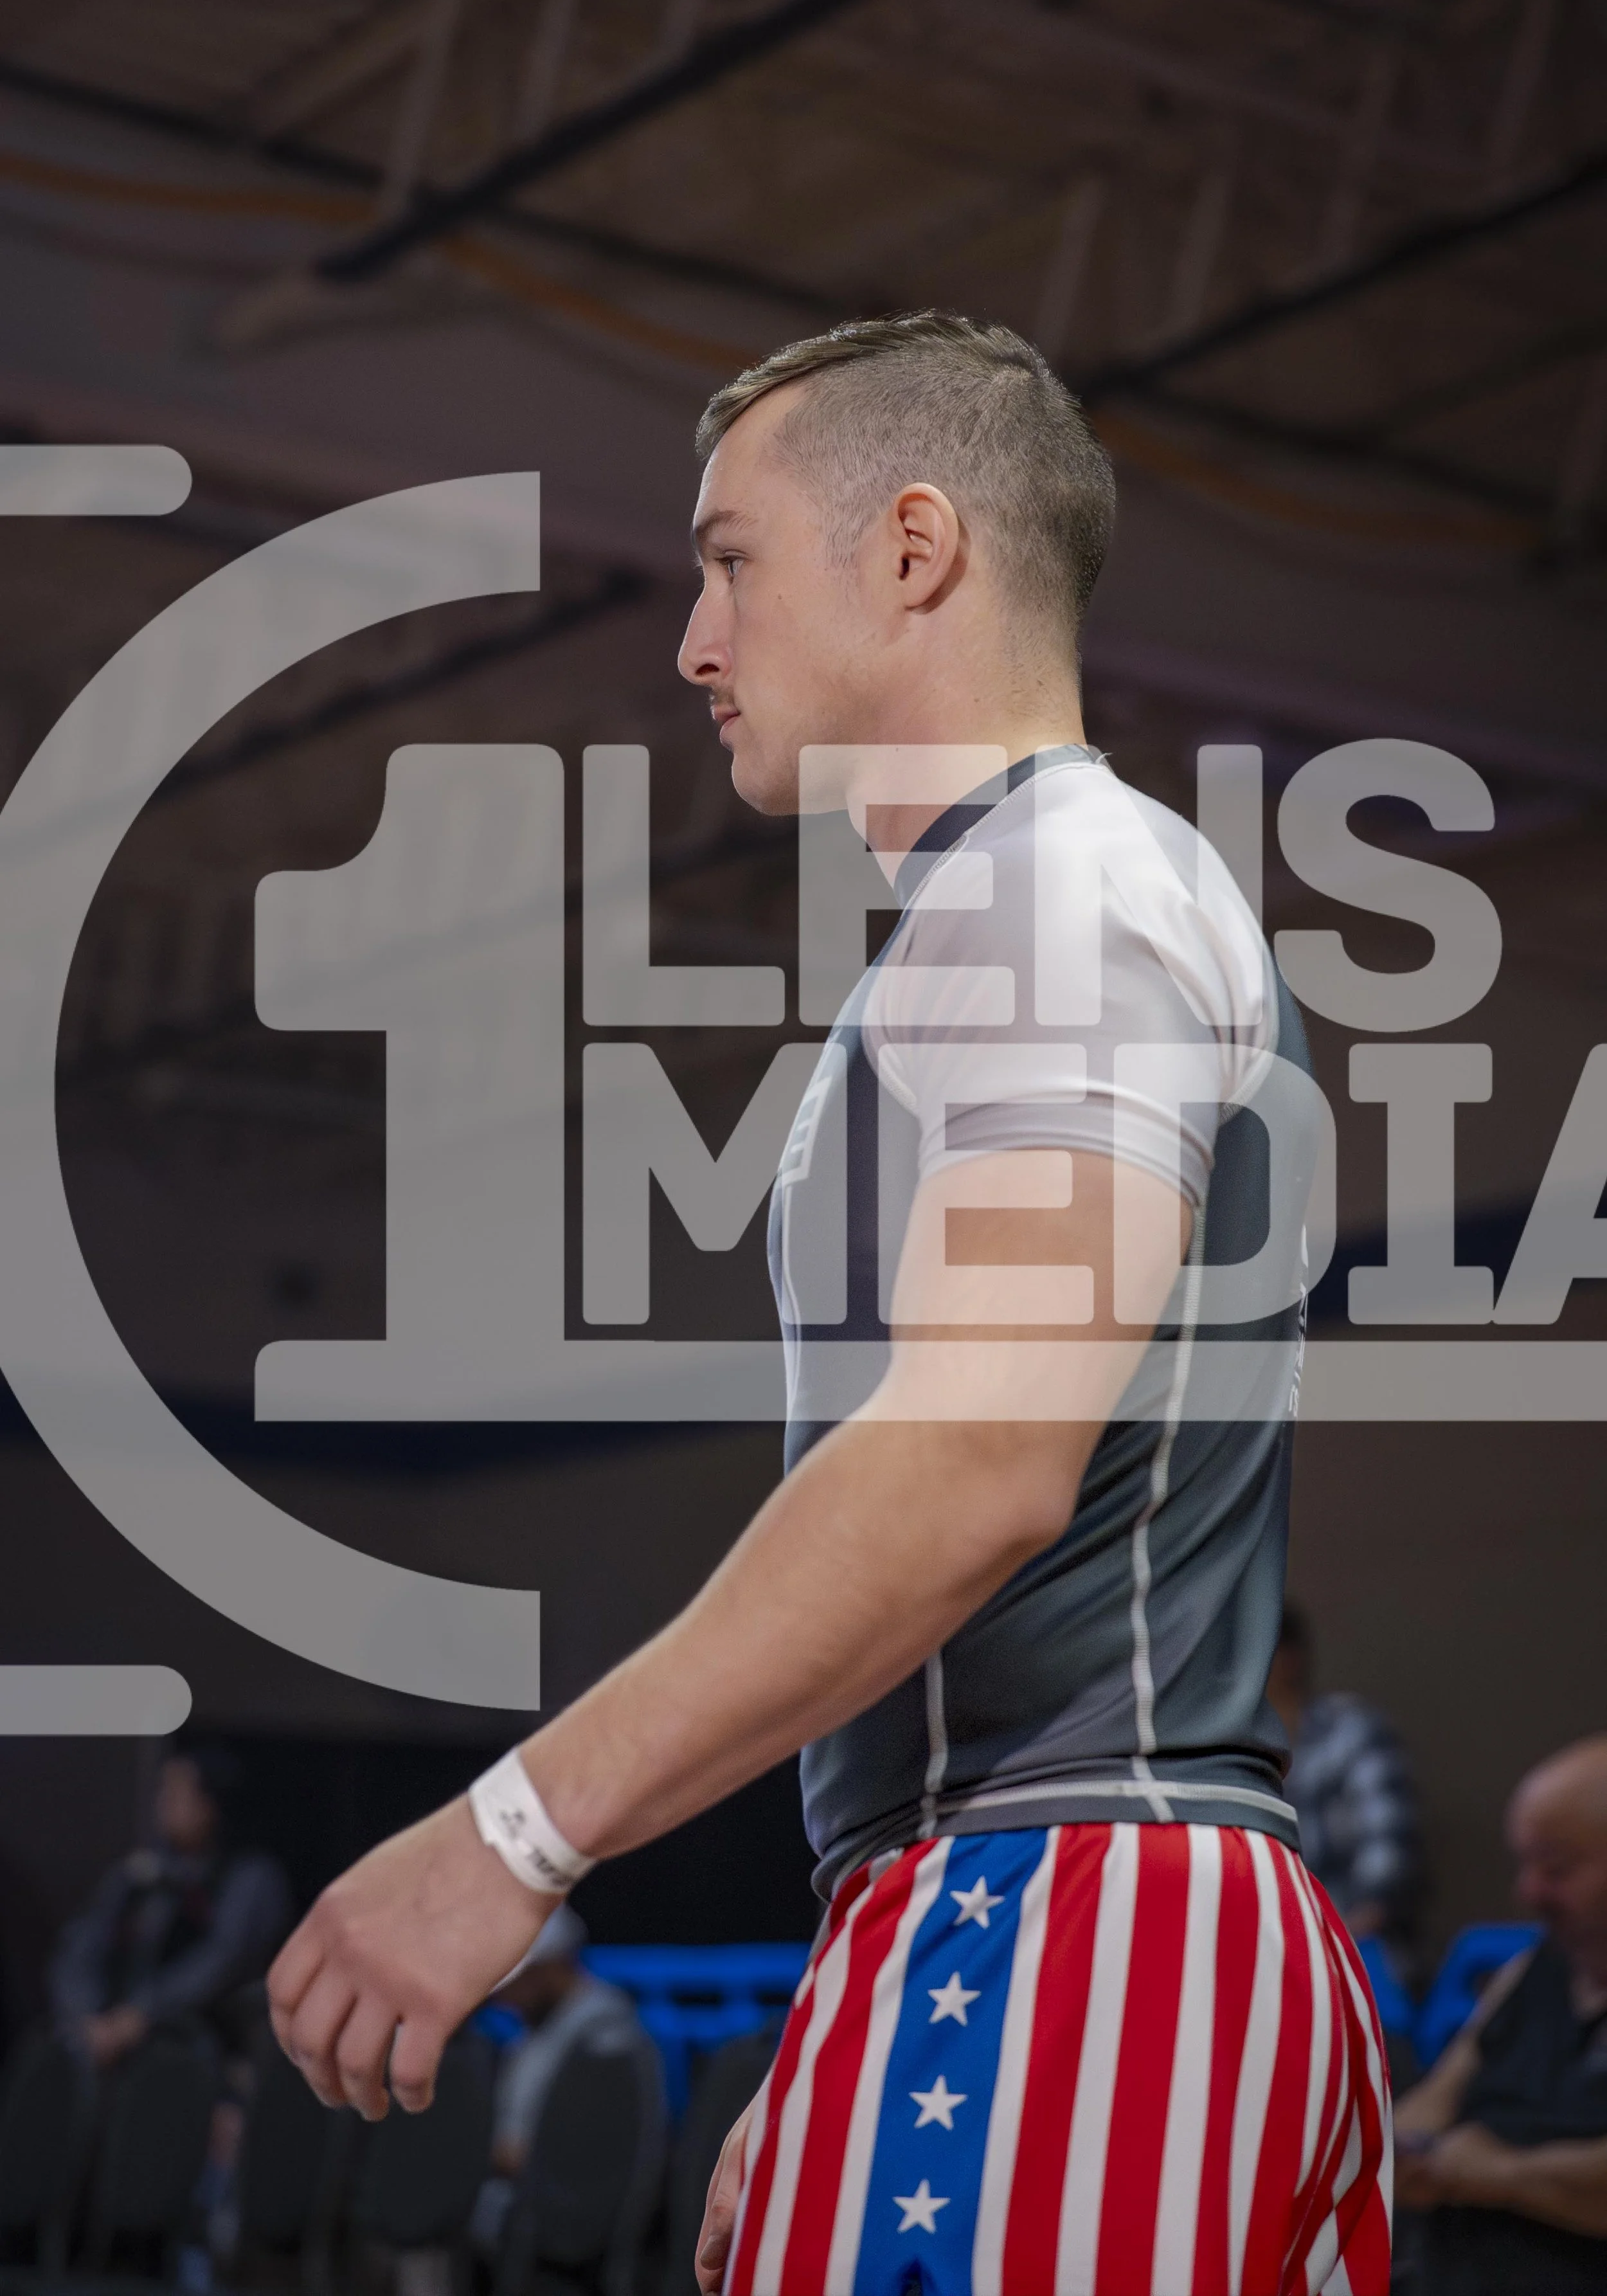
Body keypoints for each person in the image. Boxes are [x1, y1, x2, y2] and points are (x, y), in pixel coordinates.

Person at [267, 312, 1390, 2296]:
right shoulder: (1026, 901)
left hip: (1075, 1911)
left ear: (911, 547)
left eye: (729, 559)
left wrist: (510, 1834)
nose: (694, 641)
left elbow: (970, 1463)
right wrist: (858, 1994)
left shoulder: (1053, 885)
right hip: (1046, 1914)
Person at [1395, 1733, 1607, 2291]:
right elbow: (1436, 2100)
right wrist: (1399, 2153)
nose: (1529, 1891)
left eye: (1556, 1868)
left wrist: (1498, 2175)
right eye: (1525, 1863)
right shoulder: (1532, 1969)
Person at [51, 1743, 290, 2066]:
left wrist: (142, 2014)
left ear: (211, 1804)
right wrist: (88, 2015)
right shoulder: (136, 1874)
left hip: (200, 2045)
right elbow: (82, 1945)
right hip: (106, 2037)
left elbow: (223, 1960)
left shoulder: (250, 1877)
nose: (164, 1803)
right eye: (163, 1791)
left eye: (179, 1793)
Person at [470, 1904, 652, 2251]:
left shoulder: (605, 2039)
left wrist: (479, 2150)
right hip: (515, 2216)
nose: (501, 1996)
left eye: (514, 1978)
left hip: (565, 2230)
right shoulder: (535, 2030)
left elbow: (584, 2154)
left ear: (551, 1967)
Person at [1269, 1604, 1423, 1954]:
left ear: (1288, 1658)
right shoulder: (1227, 1754)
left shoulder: (1351, 1732)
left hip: (1359, 1954)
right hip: (1276, 1954)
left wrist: (1333, 1947)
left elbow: (1391, 1860)